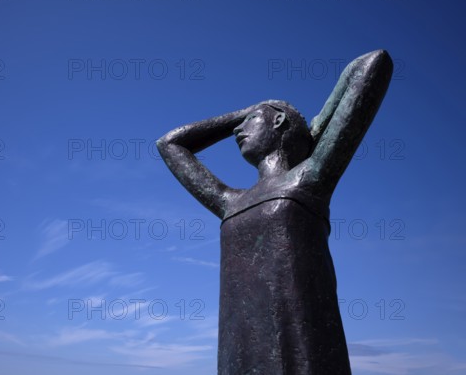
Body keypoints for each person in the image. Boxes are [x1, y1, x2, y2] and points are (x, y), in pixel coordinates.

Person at [156, 50, 394, 374]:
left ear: (279, 121)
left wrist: (312, 130)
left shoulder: (308, 180)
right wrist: (247, 112)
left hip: (301, 343)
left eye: (249, 121)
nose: (239, 130)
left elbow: (370, 65)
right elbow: (170, 144)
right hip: (238, 349)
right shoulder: (230, 201)